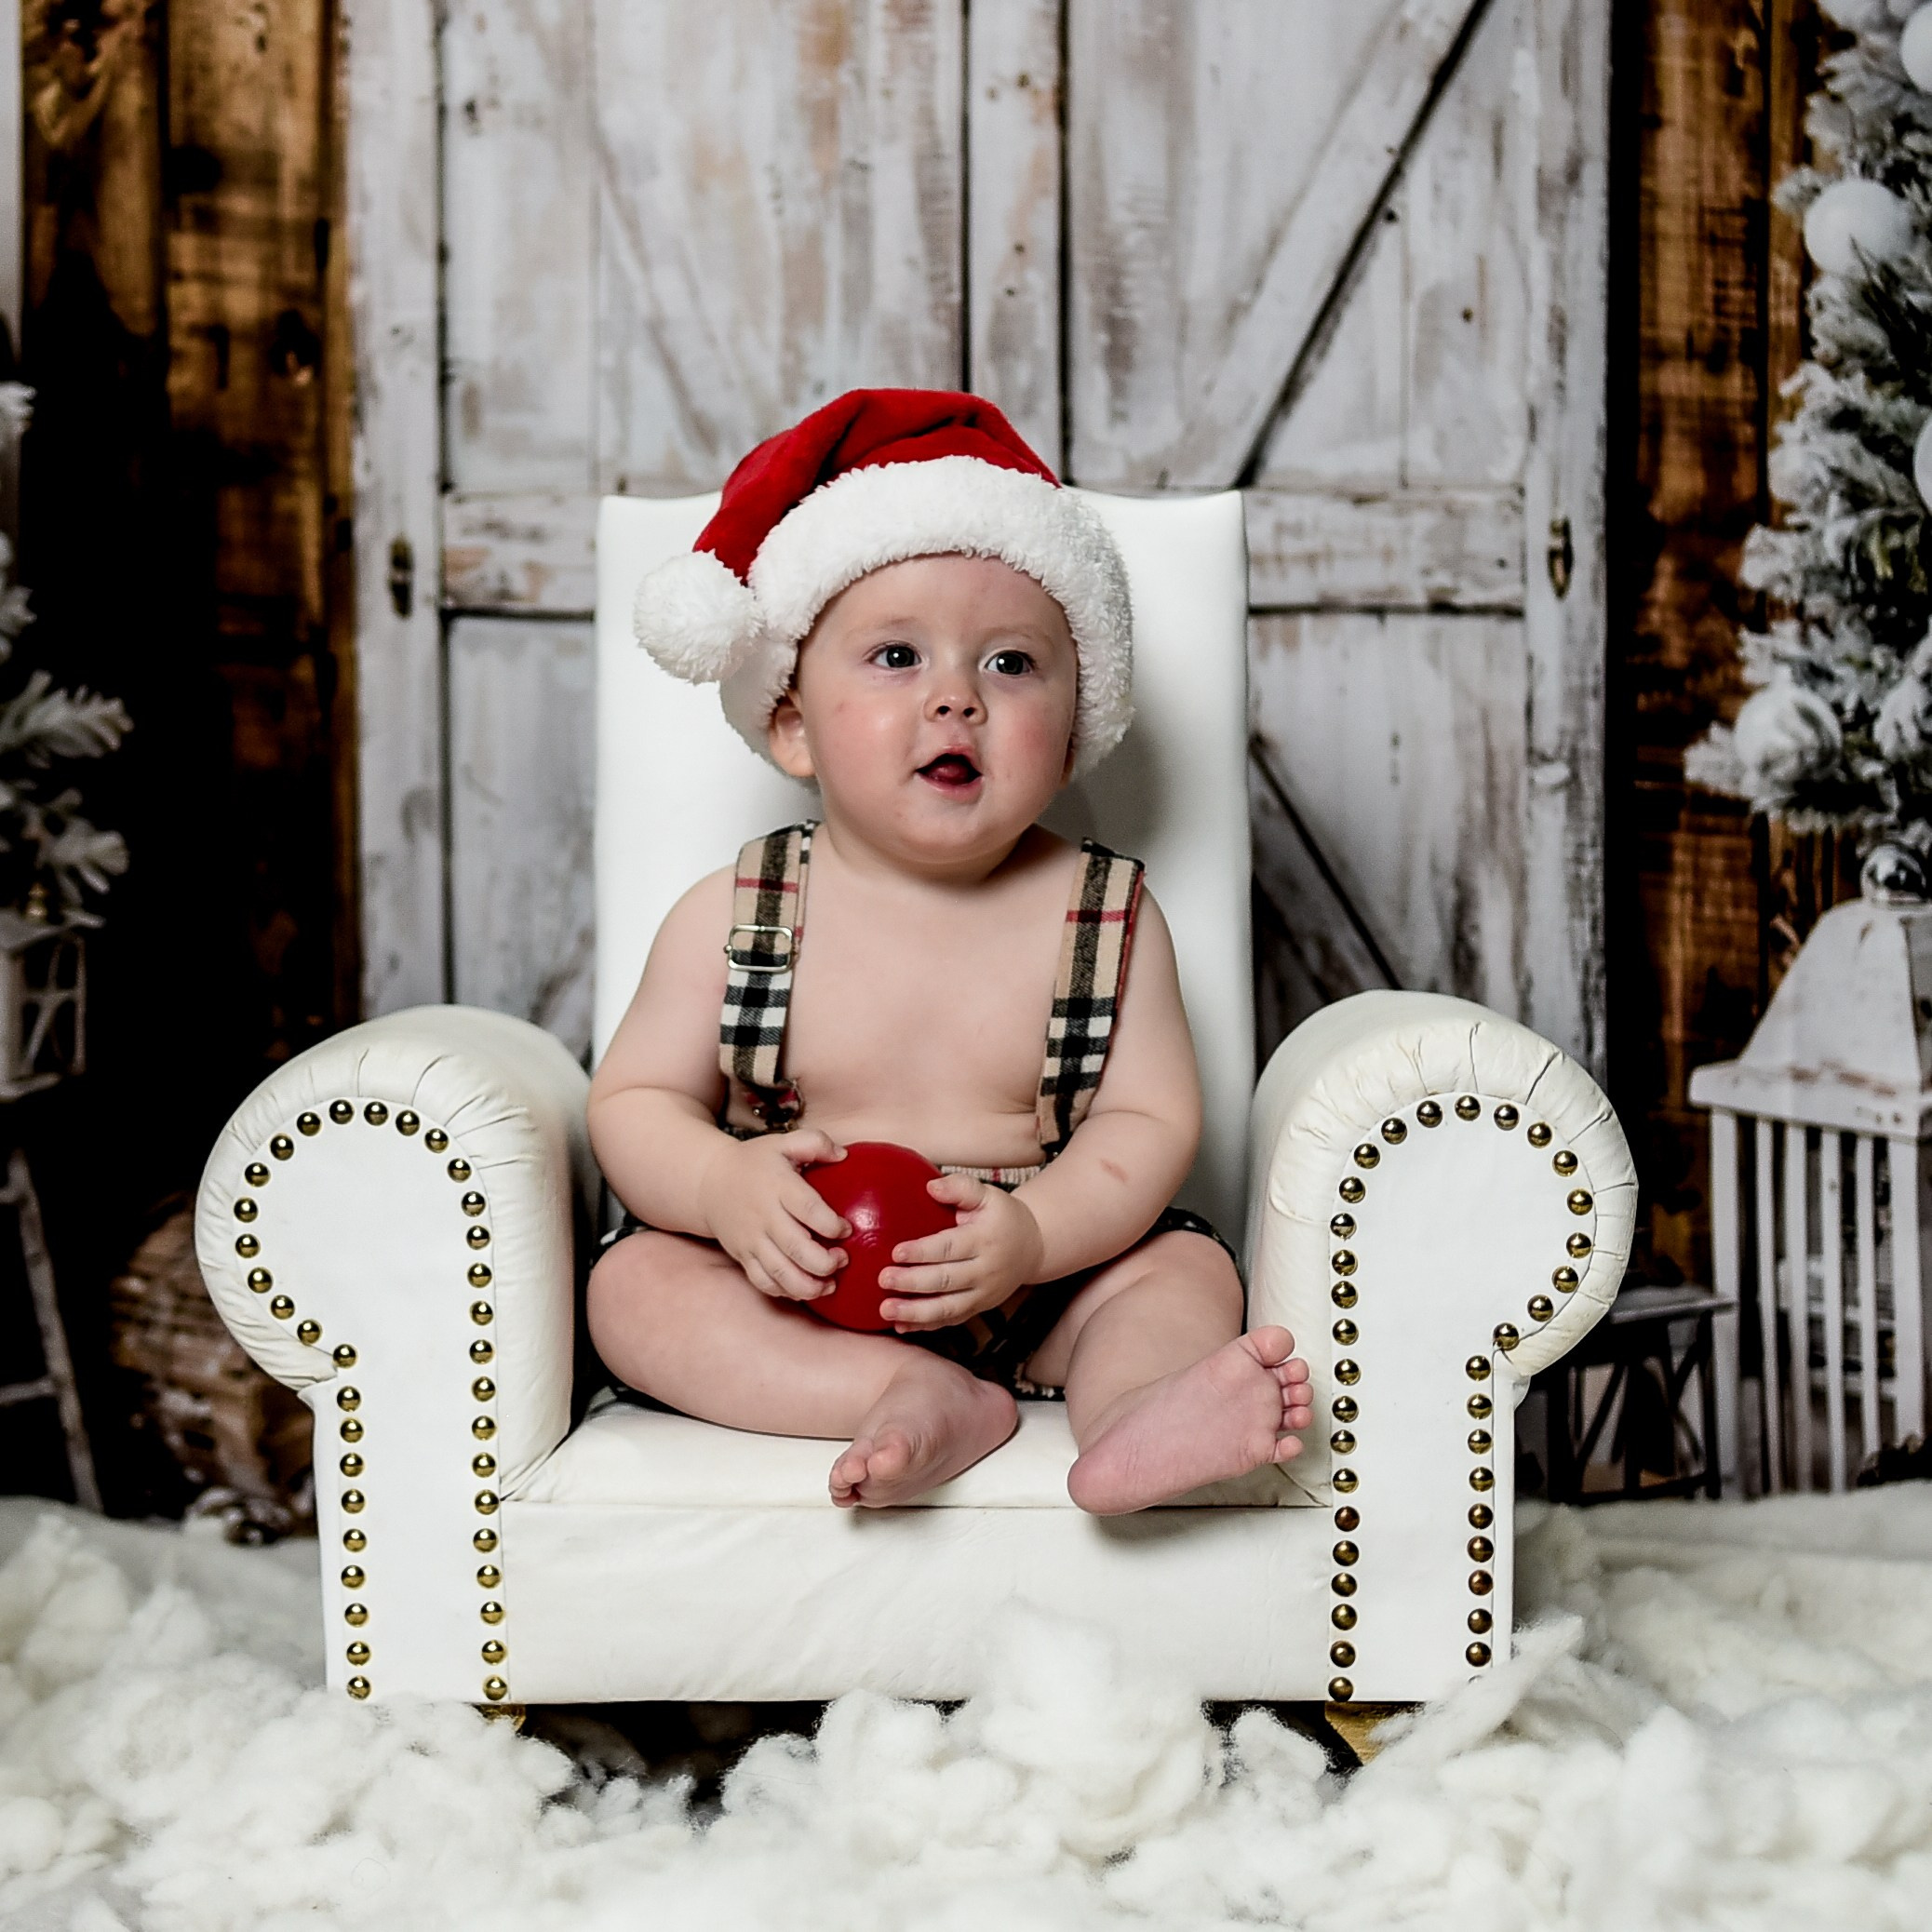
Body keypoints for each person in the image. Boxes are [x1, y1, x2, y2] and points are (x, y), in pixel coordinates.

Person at [586, 389, 1312, 1512]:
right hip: (797, 1277)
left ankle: (1133, 1423)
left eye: (1012, 665)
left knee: (1181, 1273)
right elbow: (632, 1100)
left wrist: (1033, 1237)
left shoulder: (1103, 914)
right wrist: (723, 1183)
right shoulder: (737, 913)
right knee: (633, 1288)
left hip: (1041, 1271)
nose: (955, 700)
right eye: (893, 655)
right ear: (791, 721)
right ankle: (894, 1392)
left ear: (1077, 726)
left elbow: (1149, 1122)